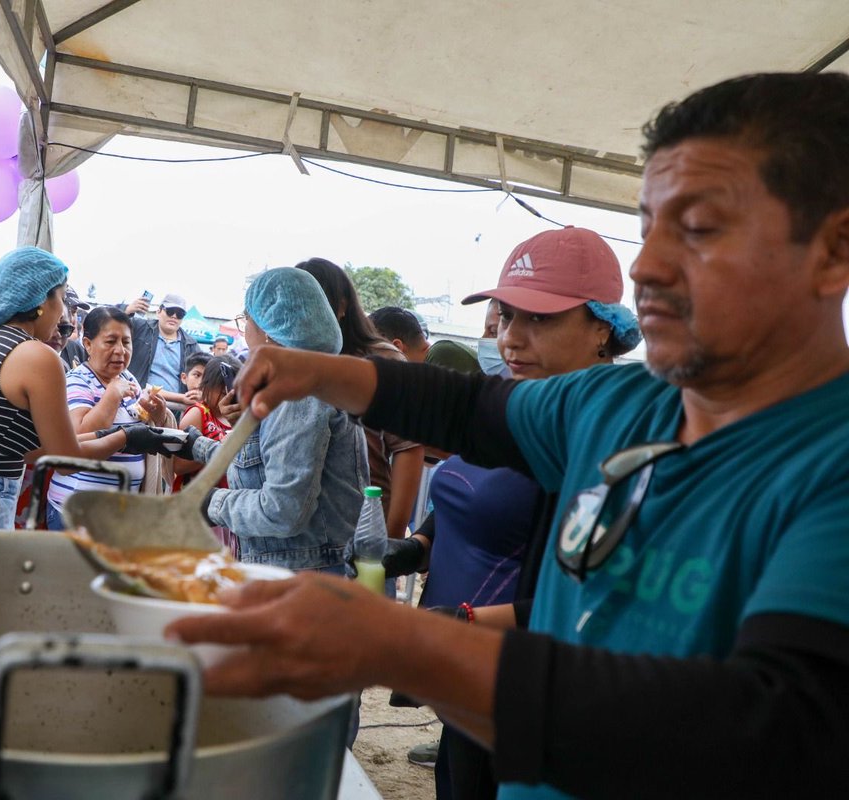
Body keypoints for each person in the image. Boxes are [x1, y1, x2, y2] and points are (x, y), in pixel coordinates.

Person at [168, 72, 849, 798]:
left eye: (700, 228)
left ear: (834, 251)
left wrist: (402, 643)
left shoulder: (827, 461)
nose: (647, 266)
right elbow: (467, 410)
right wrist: (317, 370)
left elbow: (781, 725)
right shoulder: (616, 404)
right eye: (648, 226)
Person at [383, 228, 641, 796]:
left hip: (524, 676)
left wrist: (458, 626)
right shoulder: (509, 402)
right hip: (467, 668)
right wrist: (417, 546)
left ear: (603, 326)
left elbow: (585, 597)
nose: (510, 340)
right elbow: (464, 483)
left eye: (540, 319)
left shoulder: (608, 441)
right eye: (505, 316)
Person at [0, 249, 162, 536]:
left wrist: (102, 435)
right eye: (61, 299)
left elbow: (26, 449)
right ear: (40, 301)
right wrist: (127, 437)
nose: (63, 313)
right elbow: (65, 460)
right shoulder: (37, 355)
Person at [176, 267, 368, 573]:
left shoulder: (300, 396)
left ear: (266, 328)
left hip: (307, 577)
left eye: (245, 320)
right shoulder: (297, 385)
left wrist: (209, 502)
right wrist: (192, 445)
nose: (245, 331)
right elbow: (259, 462)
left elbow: (283, 510)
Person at [296, 257, 425, 551]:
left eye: (314, 301)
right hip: (301, 537)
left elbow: (409, 448)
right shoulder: (292, 356)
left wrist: (389, 541)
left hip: (361, 533)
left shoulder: (381, 360)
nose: (303, 314)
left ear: (341, 305)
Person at [47, 306, 174, 525]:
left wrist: (158, 414)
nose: (120, 350)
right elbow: (77, 438)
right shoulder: (77, 381)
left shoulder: (128, 377)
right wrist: (112, 395)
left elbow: (139, 420)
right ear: (88, 344)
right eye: (110, 341)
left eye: (126, 342)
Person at [173, 355, 242, 554]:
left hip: (227, 507)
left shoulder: (235, 416)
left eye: (230, 388)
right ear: (207, 385)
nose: (225, 393)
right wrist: (219, 447)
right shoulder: (199, 413)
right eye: (220, 387)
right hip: (199, 506)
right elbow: (177, 465)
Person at [124, 292, 201, 406]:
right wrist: (126, 311)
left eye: (179, 314)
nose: (174, 316)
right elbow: (108, 324)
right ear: (158, 312)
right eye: (170, 311)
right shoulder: (140, 328)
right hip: (136, 403)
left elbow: (204, 376)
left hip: (175, 410)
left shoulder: (191, 345)